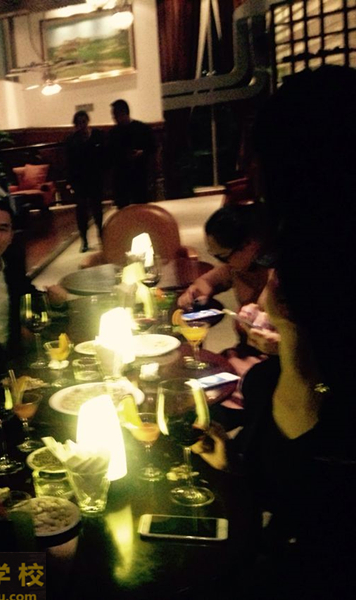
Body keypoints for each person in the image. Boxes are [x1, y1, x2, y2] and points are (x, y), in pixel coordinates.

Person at [192, 66, 356, 597]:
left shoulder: (318, 253)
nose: (252, 173)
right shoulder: (313, 239)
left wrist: (241, 471)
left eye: (259, 158)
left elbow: (315, 406)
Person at [0, 199, 66, 368]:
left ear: (11, 236)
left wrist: (54, 300)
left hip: (14, 361)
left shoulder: (11, 262)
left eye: (2, 229)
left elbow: (28, 295)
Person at [177, 203, 278, 374]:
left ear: (250, 244)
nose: (222, 263)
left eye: (223, 256)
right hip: (248, 351)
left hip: (278, 359)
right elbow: (206, 282)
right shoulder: (237, 268)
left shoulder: (279, 274)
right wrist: (195, 292)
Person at [64, 110, 104, 252]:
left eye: (83, 122)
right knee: (81, 211)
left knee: (97, 209)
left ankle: (101, 234)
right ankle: (84, 240)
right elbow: (69, 163)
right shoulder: (71, 140)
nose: (82, 125)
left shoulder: (97, 135)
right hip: (79, 180)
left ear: (87, 121)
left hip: (95, 178)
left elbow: (103, 156)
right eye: (79, 123)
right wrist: (70, 182)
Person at [108, 99, 155, 207]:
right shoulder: (113, 133)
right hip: (121, 176)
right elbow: (110, 154)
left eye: (115, 115)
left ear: (123, 113)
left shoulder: (142, 129)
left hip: (139, 173)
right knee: (124, 207)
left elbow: (152, 148)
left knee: (140, 205)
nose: (114, 118)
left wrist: (142, 153)